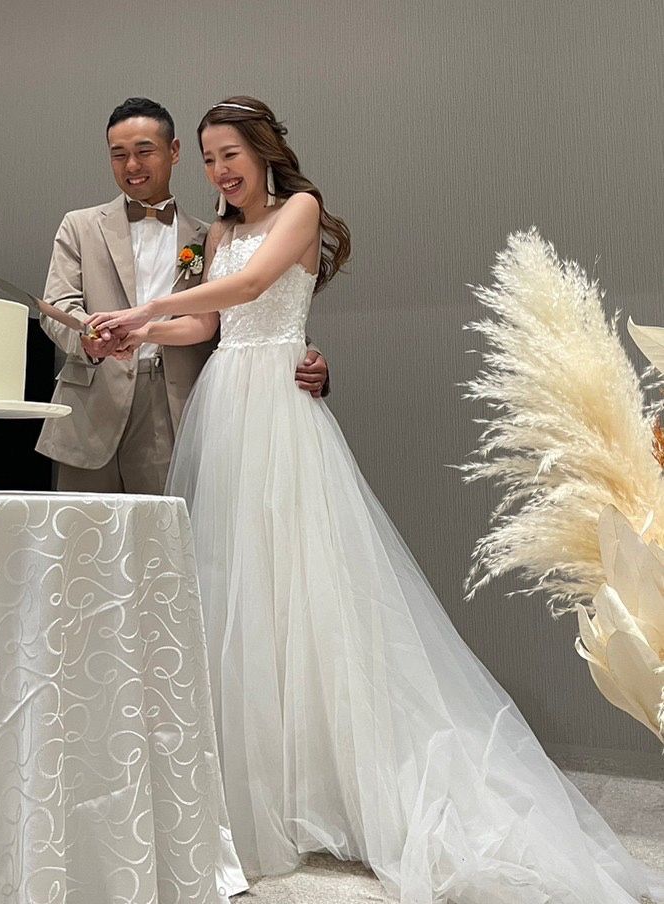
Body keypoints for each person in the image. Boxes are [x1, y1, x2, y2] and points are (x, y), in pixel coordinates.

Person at [89, 97, 664, 902]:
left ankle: (326, 780)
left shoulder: (300, 209)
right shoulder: (213, 234)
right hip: (224, 407)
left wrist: (148, 305)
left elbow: (252, 286)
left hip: (276, 411)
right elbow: (209, 326)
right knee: (233, 586)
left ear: (263, 152)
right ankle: (253, 785)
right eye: (211, 159)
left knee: (301, 584)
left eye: (231, 155)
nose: (220, 171)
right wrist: (140, 334)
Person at [36, 97, 328, 492]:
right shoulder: (81, 226)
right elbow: (57, 307)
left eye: (144, 151)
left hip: (176, 406)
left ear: (173, 152)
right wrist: (105, 336)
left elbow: (254, 294)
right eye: (119, 154)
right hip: (94, 406)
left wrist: (307, 351)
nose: (132, 165)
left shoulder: (205, 233)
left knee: (178, 527)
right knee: (80, 527)